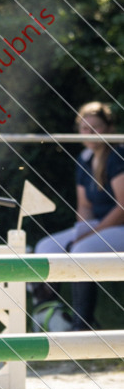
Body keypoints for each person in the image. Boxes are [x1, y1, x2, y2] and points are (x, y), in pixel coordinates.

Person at [32, 101, 124, 329]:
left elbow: (122, 207)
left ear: (109, 128)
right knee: (45, 247)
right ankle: (51, 315)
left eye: (96, 127)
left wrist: (86, 236)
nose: (90, 133)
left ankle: (82, 322)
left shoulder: (118, 156)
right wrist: (83, 230)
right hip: (101, 223)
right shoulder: (84, 159)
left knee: (81, 250)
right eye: (85, 128)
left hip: (119, 226)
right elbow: (84, 206)